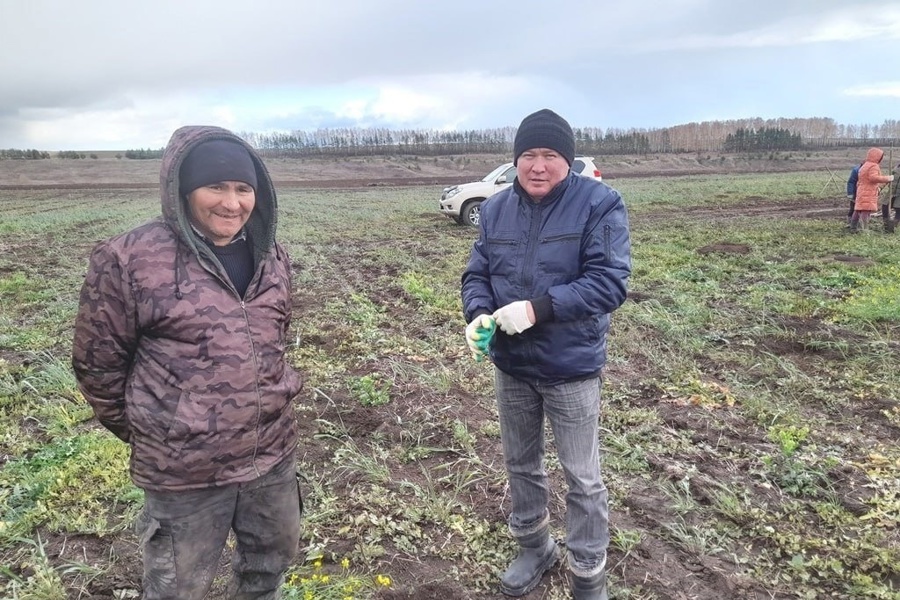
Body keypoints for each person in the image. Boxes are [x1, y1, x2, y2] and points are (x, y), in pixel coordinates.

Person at [72, 125, 304, 600]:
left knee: (269, 571)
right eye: (215, 186)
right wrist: (160, 428)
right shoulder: (129, 259)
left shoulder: (272, 256)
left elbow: (275, 339)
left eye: (243, 189)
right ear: (183, 189)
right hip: (184, 474)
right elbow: (98, 366)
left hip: (271, 457)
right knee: (178, 589)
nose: (232, 203)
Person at [461, 109, 631, 600]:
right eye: (528, 155)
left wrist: (538, 310)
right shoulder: (495, 210)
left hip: (570, 367)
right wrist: (477, 311)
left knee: (582, 477)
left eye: (550, 156)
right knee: (521, 462)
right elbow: (477, 273)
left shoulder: (599, 204)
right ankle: (535, 546)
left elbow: (609, 283)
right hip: (512, 365)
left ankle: (587, 572)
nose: (538, 166)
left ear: (568, 160)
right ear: (515, 160)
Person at [850, 147, 894, 233]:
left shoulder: (865, 165)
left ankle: (853, 227)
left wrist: (881, 185)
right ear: (877, 157)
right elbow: (873, 178)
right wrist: (888, 178)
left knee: (858, 209)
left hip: (861, 190)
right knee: (865, 211)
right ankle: (864, 229)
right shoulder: (874, 166)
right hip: (868, 191)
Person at [880, 159, 899, 233]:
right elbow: (888, 178)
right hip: (891, 192)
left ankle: (894, 228)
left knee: (898, 210)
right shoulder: (896, 168)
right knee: (885, 207)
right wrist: (880, 187)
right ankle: (887, 226)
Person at [846, 162, 861, 228]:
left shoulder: (871, 170)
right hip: (856, 193)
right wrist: (850, 194)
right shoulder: (856, 170)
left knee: (863, 209)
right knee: (853, 208)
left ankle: (859, 224)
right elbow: (851, 182)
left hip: (864, 193)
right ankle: (850, 223)